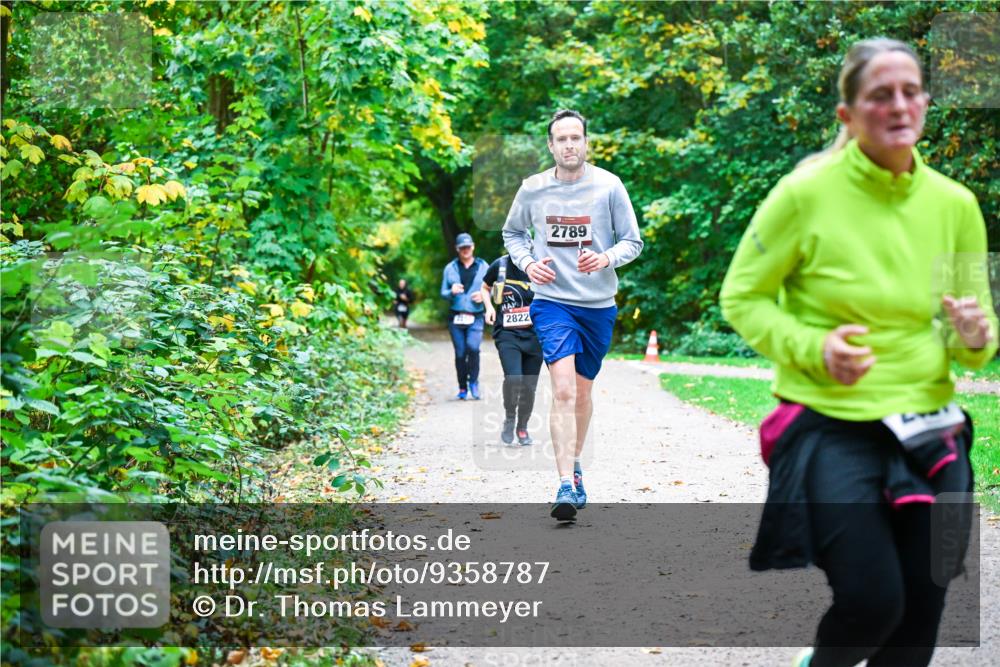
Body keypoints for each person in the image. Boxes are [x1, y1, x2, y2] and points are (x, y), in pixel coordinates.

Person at [719, 38, 997, 667]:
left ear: (925, 102)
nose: (899, 105)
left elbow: (975, 348)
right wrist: (815, 347)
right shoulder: (805, 193)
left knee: (920, 619)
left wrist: (975, 336)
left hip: (930, 430)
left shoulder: (955, 205)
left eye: (910, 92)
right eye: (880, 95)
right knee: (873, 603)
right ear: (847, 115)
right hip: (830, 425)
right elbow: (742, 297)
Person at [503, 109, 643, 521]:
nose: (568, 145)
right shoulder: (532, 189)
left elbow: (633, 242)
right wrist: (528, 264)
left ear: (586, 142)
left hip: (598, 306)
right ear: (550, 145)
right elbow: (512, 234)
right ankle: (564, 482)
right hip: (552, 302)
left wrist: (604, 258)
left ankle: (575, 463)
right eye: (560, 139)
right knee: (562, 389)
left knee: (582, 393)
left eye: (575, 138)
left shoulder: (609, 186)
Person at [480, 254, 543, 446]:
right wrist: (489, 307)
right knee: (514, 378)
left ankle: (522, 426)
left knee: (529, 386)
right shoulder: (500, 265)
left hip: (535, 336)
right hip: (507, 334)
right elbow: (484, 287)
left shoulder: (540, 265)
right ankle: (509, 417)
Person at [440, 232, 489, 400]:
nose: (465, 250)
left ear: (473, 246)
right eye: (462, 248)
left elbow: (496, 288)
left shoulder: (484, 266)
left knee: (473, 348)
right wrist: (451, 292)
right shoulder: (450, 268)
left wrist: (484, 296)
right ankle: (462, 387)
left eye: (468, 247)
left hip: (476, 316)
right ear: (457, 249)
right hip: (456, 317)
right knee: (460, 353)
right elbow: (443, 293)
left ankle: (474, 383)